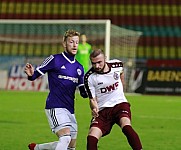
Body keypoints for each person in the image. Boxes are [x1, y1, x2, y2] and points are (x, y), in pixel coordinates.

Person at [24, 29, 88, 150]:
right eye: (71, 42)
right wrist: (30, 74)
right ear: (64, 44)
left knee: (70, 147)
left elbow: (84, 93)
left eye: (77, 42)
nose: (74, 45)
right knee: (65, 138)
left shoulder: (79, 67)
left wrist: (91, 86)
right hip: (55, 106)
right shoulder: (55, 59)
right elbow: (34, 75)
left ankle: (37, 148)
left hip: (70, 110)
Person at [84, 49, 143, 150]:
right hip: (102, 110)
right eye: (94, 63)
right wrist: (94, 108)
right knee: (91, 137)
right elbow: (92, 99)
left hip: (120, 104)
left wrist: (121, 87)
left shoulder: (117, 64)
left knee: (126, 126)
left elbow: (121, 72)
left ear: (105, 59)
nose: (97, 66)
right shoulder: (89, 77)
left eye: (99, 62)